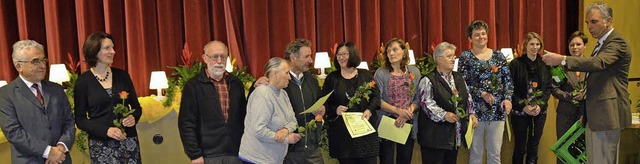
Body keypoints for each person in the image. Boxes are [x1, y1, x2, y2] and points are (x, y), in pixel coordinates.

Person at [542, 2, 631, 163]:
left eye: (594, 22)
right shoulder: (601, 43)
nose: (589, 26)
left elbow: (599, 63)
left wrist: (562, 59)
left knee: (603, 160)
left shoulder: (617, 42)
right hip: (595, 115)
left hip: (607, 114)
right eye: (587, 23)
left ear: (608, 21)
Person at [0, 40, 75, 164]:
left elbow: (69, 121)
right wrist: (48, 151)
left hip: (61, 159)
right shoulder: (5, 94)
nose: (42, 66)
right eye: (35, 61)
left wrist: (61, 147)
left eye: (43, 60)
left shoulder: (56, 89)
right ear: (19, 66)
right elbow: (13, 132)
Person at [252, 38, 326, 164]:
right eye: (307, 56)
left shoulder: (312, 80)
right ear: (293, 57)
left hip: (313, 149)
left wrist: (322, 110)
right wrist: (255, 85)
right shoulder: (276, 81)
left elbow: (321, 105)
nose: (311, 60)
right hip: (288, 151)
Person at [74, 32, 143, 163]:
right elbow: (80, 120)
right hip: (101, 144)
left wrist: (133, 117)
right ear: (94, 51)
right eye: (107, 48)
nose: (113, 51)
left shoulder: (123, 76)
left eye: (112, 47)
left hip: (128, 142)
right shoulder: (83, 82)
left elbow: (136, 108)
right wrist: (106, 131)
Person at [178, 41, 247, 164]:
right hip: (207, 156)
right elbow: (186, 123)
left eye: (223, 57)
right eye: (214, 57)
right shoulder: (193, 86)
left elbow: (245, 117)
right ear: (205, 58)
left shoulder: (236, 84)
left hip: (236, 153)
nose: (219, 61)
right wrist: (194, 154)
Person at [457, 20, 513, 164]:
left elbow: (507, 80)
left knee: (494, 154)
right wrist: (480, 93)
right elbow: (461, 84)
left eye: (483, 33)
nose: (481, 37)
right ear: (470, 38)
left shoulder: (498, 56)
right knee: (476, 153)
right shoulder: (465, 57)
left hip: (497, 110)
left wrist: (507, 98)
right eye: (476, 35)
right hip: (475, 112)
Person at [417, 42, 478, 164]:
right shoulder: (428, 80)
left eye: (454, 56)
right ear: (439, 59)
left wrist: (471, 113)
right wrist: (444, 115)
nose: (453, 59)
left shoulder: (458, 77)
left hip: (453, 137)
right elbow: (426, 104)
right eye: (449, 56)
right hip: (434, 138)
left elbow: (467, 96)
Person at [322, 41, 380, 164]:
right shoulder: (332, 78)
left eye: (345, 54)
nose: (341, 57)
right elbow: (323, 103)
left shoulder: (365, 74)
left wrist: (369, 109)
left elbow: (376, 96)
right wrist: (335, 109)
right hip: (342, 136)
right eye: (338, 54)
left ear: (353, 55)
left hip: (365, 133)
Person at [239, 57, 301, 163]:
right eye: (286, 73)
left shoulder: (283, 94)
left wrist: (285, 130)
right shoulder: (262, 94)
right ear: (275, 74)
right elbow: (258, 130)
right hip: (256, 159)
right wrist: (286, 139)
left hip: (273, 159)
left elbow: (293, 121)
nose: (290, 78)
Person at [373, 38, 420, 164]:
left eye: (395, 50)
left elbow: (418, 98)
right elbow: (377, 100)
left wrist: (407, 114)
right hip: (387, 121)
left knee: (405, 160)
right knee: (386, 160)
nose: (391, 54)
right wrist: (398, 111)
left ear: (404, 51)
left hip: (407, 121)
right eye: (388, 51)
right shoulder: (381, 73)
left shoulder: (414, 71)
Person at [508, 32, 552, 164]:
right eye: (532, 44)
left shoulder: (545, 64)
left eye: (538, 44)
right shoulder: (515, 64)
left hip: (539, 112)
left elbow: (547, 89)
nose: (535, 47)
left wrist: (540, 105)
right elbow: (510, 89)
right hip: (520, 112)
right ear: (525, 45)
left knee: (533, 147)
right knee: (520, 147)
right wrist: (523, 106)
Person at [551, 31, 588, 164]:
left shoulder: (591, 65)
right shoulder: (561, 66)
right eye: (572, 45)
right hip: (564, 114)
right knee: (563, 149)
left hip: (585, 115)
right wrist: (569, 96)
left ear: (585, 46)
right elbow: (554, 89)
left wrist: (585, 94)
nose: (575, 47)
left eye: (578, 44)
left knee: (581, 151)